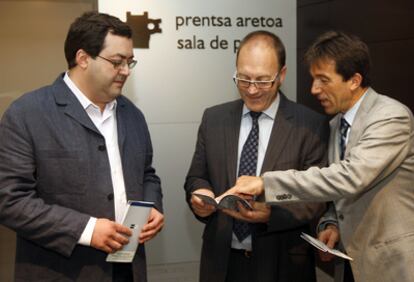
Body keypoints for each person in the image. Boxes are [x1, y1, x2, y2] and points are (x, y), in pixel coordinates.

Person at [229, 31, 414, 282]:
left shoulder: (391, 117)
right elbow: (342, 195)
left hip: (393, 264)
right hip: (352, 263)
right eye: (314, 79)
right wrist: (330, 223)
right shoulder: (336, 124)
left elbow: (350, 177)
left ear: (353, 80)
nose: (314, 89)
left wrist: (266, 183)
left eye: (323, 80)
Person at [0, 11, 164, 282]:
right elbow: (9, 200)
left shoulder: (133, 115)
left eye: (129, 62)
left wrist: (152, 207)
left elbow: (147, 174)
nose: (125, 71)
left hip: (128, 269)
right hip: (62, 271)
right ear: (83, 58)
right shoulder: (27, 114)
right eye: (117, 61)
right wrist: (87, 230)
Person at [184, 30, 329, 282]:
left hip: (283, 264)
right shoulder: (214, 119)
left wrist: (272, 214)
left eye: (262, 81)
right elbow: (197, 176)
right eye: (243, 78)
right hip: (221, 262)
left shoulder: (310, 125)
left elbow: (316, 199)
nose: (251, 90)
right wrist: (200, 196)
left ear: (281, 75)